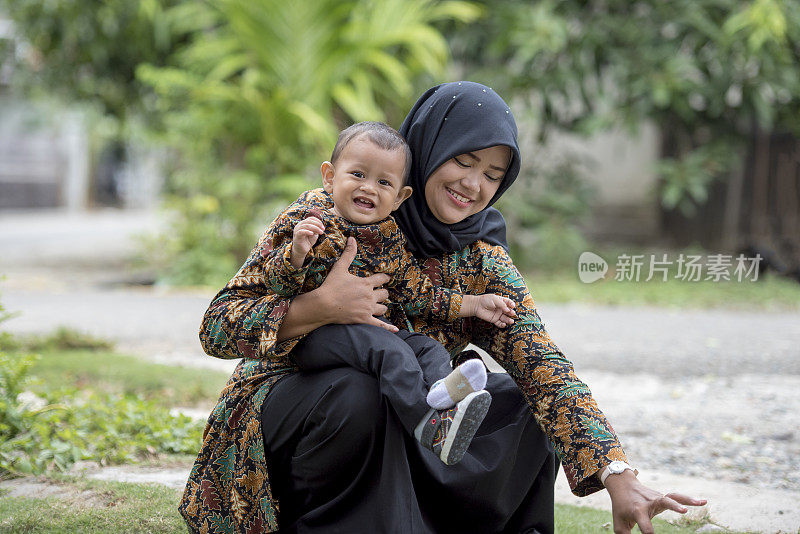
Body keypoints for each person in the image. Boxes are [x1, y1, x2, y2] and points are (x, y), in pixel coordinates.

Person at [180, 81, 706, 533]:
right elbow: (217, 328)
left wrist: (621, 477)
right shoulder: (332, 212)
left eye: (494, 174)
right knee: (366, 392)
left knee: (516, 403)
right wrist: (319, 306)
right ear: (430, 146)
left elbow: (548, 371)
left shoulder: (481, 259)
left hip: (401, 403)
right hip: (292, 410)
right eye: (464, 159)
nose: (474, 185)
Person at [257, 119, 520, 465]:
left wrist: (473, 304)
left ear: (399, 198)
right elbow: (272, 285)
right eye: (358, 175)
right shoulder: (310, 219)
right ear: (330, 177)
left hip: (368, 334)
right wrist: (296, 254)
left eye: (383, 182)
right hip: (315, 338)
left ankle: (449, 401)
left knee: (426, 348)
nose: (369, 188)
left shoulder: (390, 239)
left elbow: (417, 292)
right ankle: (426, 424)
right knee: (390, 352)